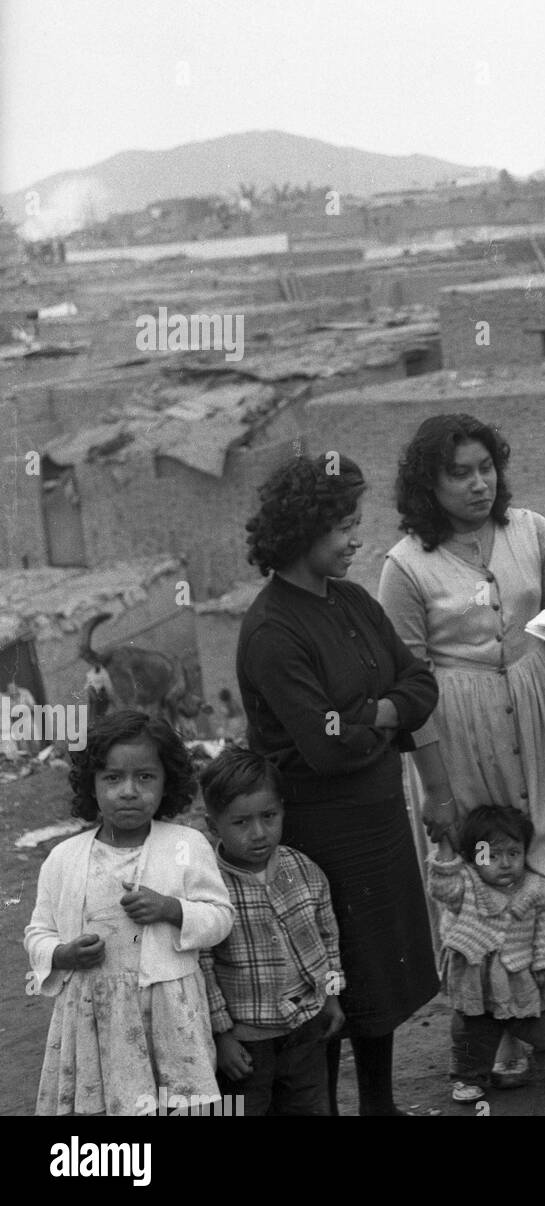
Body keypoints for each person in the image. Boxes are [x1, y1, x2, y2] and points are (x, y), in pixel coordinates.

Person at [378, 413, 545, 1077]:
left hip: (541, 717)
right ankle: (511, 1035)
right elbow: (409, 683)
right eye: (459, 473)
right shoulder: (405, 567)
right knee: (486, 884)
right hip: (460, 738)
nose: (478, 483)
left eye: (485, 467)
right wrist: (437, 790)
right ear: (427, 484)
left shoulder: (534, 532)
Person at [237, 452, 440, 1116]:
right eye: (344, 526)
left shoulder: (352, 600)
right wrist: (382, 713)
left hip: (379, 820)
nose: (357, 538)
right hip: (319, 837)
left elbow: (419, 683)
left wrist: (372, 714)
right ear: (304, 530)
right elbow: (324, 746)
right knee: (323, 985)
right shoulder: (272, 628)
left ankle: (379, 1107)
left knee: (376, 977)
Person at [24, 709, 234, 1116]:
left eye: (145, 777)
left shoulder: (187, 845)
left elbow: (220, 916)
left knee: (178, 1105)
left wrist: (172, 909)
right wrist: (62, 954)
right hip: (93, 1017)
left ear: (166, 781)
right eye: (113, 778)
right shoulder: (64, 859)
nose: (129, 791)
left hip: (170, 1015)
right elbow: (38, 931)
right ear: (91, 784)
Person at [199, 747, 345, 1116]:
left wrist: (331, 997)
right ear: (213, 825)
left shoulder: (304, 869)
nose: (259, 832)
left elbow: (328, 938)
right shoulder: (208, 889)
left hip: (306, 1027)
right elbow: (202, 965)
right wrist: (222, 1035)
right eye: (241, 822)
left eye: (269, 816)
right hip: (246, 1042)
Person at [428, 804, 545, 1104]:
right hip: (478, 980)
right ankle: (467, 1079)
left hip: (522, 977)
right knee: (469, 1036)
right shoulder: (467, 883)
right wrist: (445, 847)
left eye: (513, 853)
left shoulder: (534, 887)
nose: (504, 864)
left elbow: (542, 930)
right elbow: (442, 888)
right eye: (492, 855)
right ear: (474, 857)